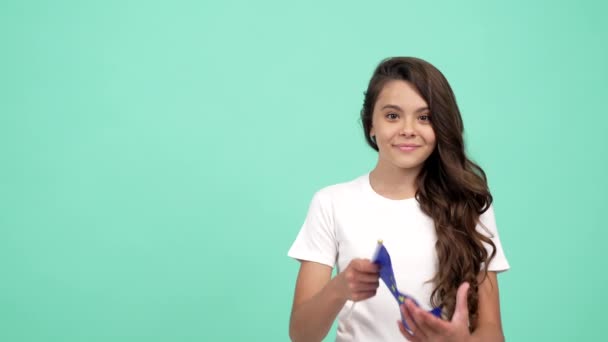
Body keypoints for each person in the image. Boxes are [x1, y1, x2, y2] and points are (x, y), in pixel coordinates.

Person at [287, 57, 510, 342]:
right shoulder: (331, 203)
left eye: (424, 117)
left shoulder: (469, 205)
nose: (408, 129)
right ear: (371, 125)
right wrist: (339, 288)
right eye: (392, 116)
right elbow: (301, 335)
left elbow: (493, 332)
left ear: (440, 126)